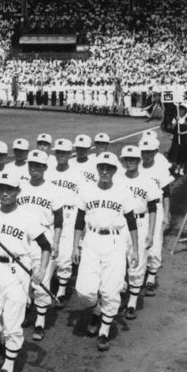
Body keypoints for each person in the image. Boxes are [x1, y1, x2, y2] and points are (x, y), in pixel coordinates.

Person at [0, 170, 51, 372]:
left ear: (18, 191)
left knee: (13, 320)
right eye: (1, 188)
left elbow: (45, 245)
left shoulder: (27, 216)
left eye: (9, 189)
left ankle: (8, 366)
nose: (4, 193)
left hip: (16, 270)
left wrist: (42, 270)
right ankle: (3, 338)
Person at [72, 152, 139, 352]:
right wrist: (75, 245)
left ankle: (104, 331)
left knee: (111, 289)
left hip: (115, 241)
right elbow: (78, 220)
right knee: (84, 291)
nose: (104, 171)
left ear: (115, 171)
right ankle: (97, 310)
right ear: (97, 169)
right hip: (91, 239)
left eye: (109, 168)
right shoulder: (87, 190)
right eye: (101, 167)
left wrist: (134, 249)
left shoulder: (123, 192)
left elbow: (132, 222)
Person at [17, 149, 63, 340]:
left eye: (38, 166)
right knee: (22, 278)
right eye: (31, 165)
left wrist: (57, 243)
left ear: (45, 167)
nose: (34, 169)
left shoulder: (53, 190)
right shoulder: (20, 187)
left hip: (44, 236)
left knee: (41, 280)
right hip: (23, 238)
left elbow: (59, 220)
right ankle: (26, 310)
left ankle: (40, 322)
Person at [118, 145, 159, 320]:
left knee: (138, 263)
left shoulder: (147, 181)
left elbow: (152, 208)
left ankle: (132, 303)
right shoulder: (117, 179)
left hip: (140, 223)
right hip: (120, 224)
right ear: (122, 161)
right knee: (118, 262)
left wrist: (151, 233)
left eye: (132, 159)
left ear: (138, 161)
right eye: (126, 159)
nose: (129, 162)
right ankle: (116, 295)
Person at [47, 138, 84, 307]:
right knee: (47, 248)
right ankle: (45, 282)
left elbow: (83, 199)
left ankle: (61, 289)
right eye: (58, 152)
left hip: (70, 214)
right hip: (50, 214)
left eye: (64, 152)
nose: (61, 155)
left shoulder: (77, 174)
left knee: (65, 252)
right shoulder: (48, 172)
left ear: (70, 154)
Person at [138, 134, 174, 296]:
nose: (145, 155)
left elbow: (166, 193)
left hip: (157, 209)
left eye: (149, 152)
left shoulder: (160, 169)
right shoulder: (135, 167)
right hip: (139, 209)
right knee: (136, 242)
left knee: (154, 243)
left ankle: (151, 276)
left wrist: (166, 214)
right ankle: (137, 271)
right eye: (143, 151)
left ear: (155, 152)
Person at [168, 103, 187, 176]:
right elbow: (172, 128)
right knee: (176, 152)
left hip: (185, 138)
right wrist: (176, 121)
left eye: (183, 110)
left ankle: (182, 168)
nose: (181, 111)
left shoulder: (186, 118)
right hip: (177, 138)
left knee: (183, 152)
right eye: (180, 109)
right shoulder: (176, 118)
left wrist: (182, 132)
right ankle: (177, 167)